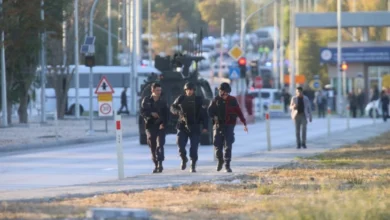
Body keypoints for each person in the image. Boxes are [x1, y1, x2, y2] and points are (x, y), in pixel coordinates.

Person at [208, 82, 248, 173]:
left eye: (226, 92)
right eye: (222, 92)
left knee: (228, 146)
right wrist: (215, 117)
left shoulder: (233, 100)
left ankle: (227, 165)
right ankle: (220, 160)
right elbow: (209, 112)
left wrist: (244, 123)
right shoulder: (215, 100)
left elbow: (239, 112)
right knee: (217, 145)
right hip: (218, 125)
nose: (224, 94)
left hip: (229, 125)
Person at [170, 82, 209, 173]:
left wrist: (205, 126)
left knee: (194, 147)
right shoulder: (181, 98)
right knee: (180, 144)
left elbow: (204, 114)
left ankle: (193, 164)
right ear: (185, 90)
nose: (189, 91)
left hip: (195, 126)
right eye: (188, 90)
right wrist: (178, 112)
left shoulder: (199, 100)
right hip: (182, 125)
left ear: (194, 90)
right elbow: (172, 107)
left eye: (191, 90)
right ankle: (184, 159)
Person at [140, 83, 169, 173]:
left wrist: (163, 124)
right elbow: (142, 112)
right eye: (157, 90)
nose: (159, 92)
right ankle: (156, 164)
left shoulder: (163, 101)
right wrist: (151, 114)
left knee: (160, 144)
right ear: (152, 90)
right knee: (152, 145)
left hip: (160, 125)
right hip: (150, 125)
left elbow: (167, 115)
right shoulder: (146, 100)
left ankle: (160, 163)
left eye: (160, 90)